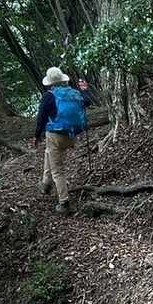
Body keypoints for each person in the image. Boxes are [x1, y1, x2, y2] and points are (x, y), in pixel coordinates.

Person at [34, 67, 90, 215]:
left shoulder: (49, 96)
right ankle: (46, 183)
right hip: (71, 136)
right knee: (49, 151)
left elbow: (41, 118)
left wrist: (37, 135)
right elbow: (87, 102)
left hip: (55, 136)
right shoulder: (75, 93)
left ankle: (64, 203)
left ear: (50, 83)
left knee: (58, 170)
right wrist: (84, 89)